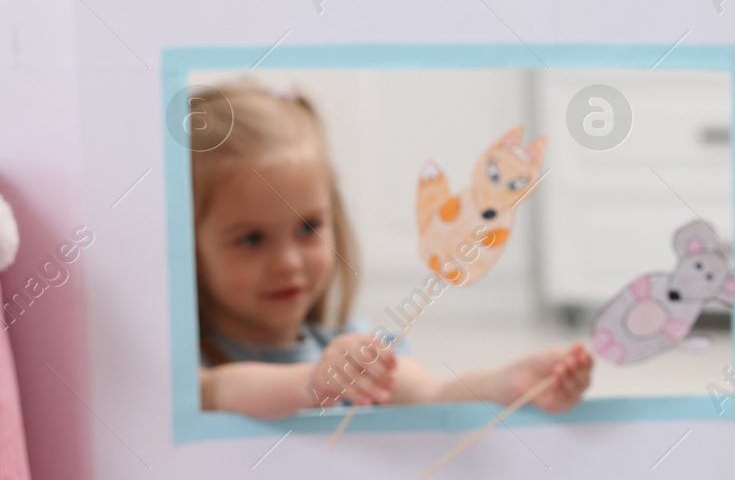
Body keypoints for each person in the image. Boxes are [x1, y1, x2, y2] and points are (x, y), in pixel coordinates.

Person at [189, 83, 593, 418]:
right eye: (251, 239)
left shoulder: (358, 347)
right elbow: (222, 391)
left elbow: (431, 397)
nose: (288, 261)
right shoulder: (192, 370)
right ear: (187, 245)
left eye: (309, 227)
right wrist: (313, 383)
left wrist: (506, 383)